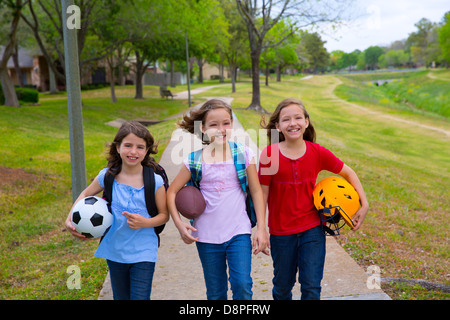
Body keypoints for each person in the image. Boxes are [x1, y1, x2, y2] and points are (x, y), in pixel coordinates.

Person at [258, 98, 369, 300]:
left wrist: (364, 203)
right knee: (282, 288)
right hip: (281, 233)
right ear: (278, 126)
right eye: (286, 120)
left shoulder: (317, 152)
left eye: (298, 118)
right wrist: (261, 228)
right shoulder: (269, 155)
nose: (293, 123)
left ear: (306, 122)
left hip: (312, 230)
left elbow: (349, 173)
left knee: (311, 287)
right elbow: (262, 193)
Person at [167, 99, 269, 300]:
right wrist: (180, 225)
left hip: (238, 231)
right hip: (205, 235)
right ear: (203, 128)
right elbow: (171, 192)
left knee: (242, 285)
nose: (221, 129)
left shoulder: (244, 155)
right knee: (216, 292)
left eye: (226, 123)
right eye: (213, 125)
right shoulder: (194, 160)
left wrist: (262, 228)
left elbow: (257, 192)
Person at [65, 121, 169, 300]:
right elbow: (85, 193)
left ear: (146, 151)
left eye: (140, 147)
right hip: (115, 250)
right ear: (118, 147)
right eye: (128, 145)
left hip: (144, 251)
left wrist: (147, 222)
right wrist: (69, 220)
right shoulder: (107, 176)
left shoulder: (155, 181)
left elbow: (164, 215)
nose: (133, 152)